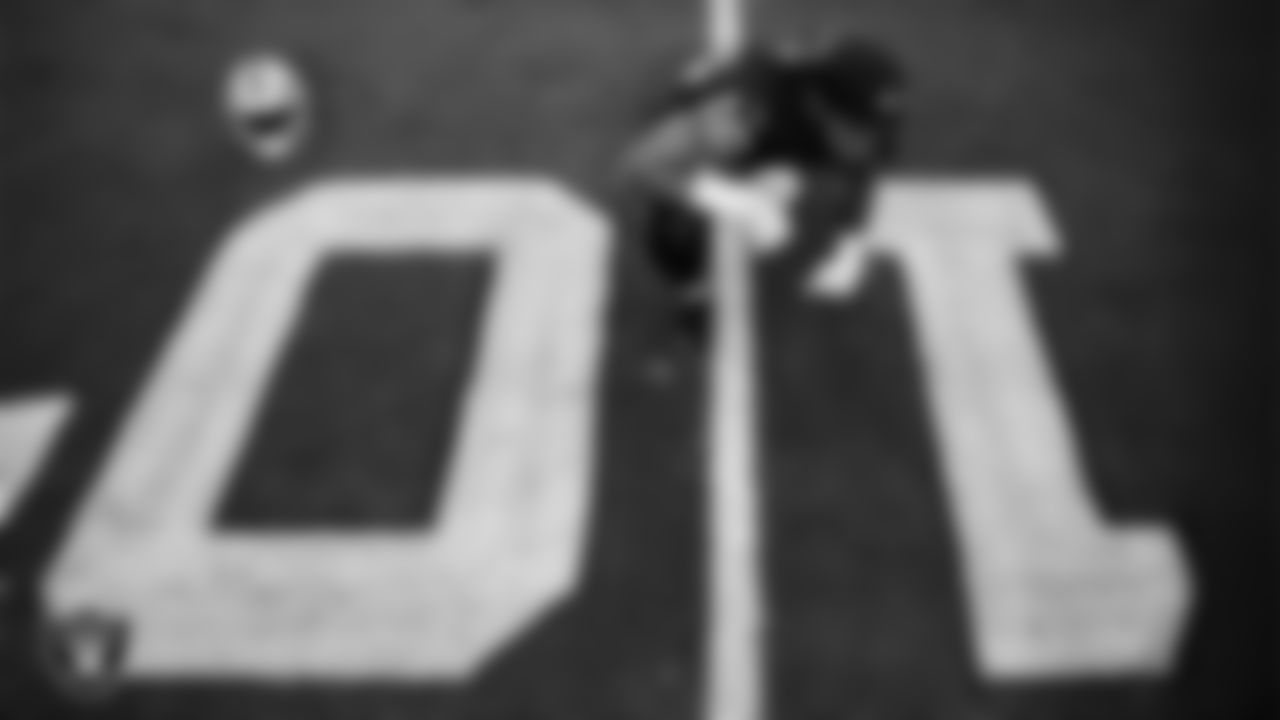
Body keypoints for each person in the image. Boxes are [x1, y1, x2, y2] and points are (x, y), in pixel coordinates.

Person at [622, 36, 906, 338]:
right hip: (719, 108)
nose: (868, 143)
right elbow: (640, 164)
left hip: (781, 134)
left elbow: (865, 169)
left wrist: (851, 241)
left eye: (875, 129)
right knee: (675, 225)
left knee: (783, 182)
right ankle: (694, 290)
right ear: (821, 107)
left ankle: (769, 170)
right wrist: (739, 203)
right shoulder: (748, 110)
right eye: (856, 128)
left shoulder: (867, 123)